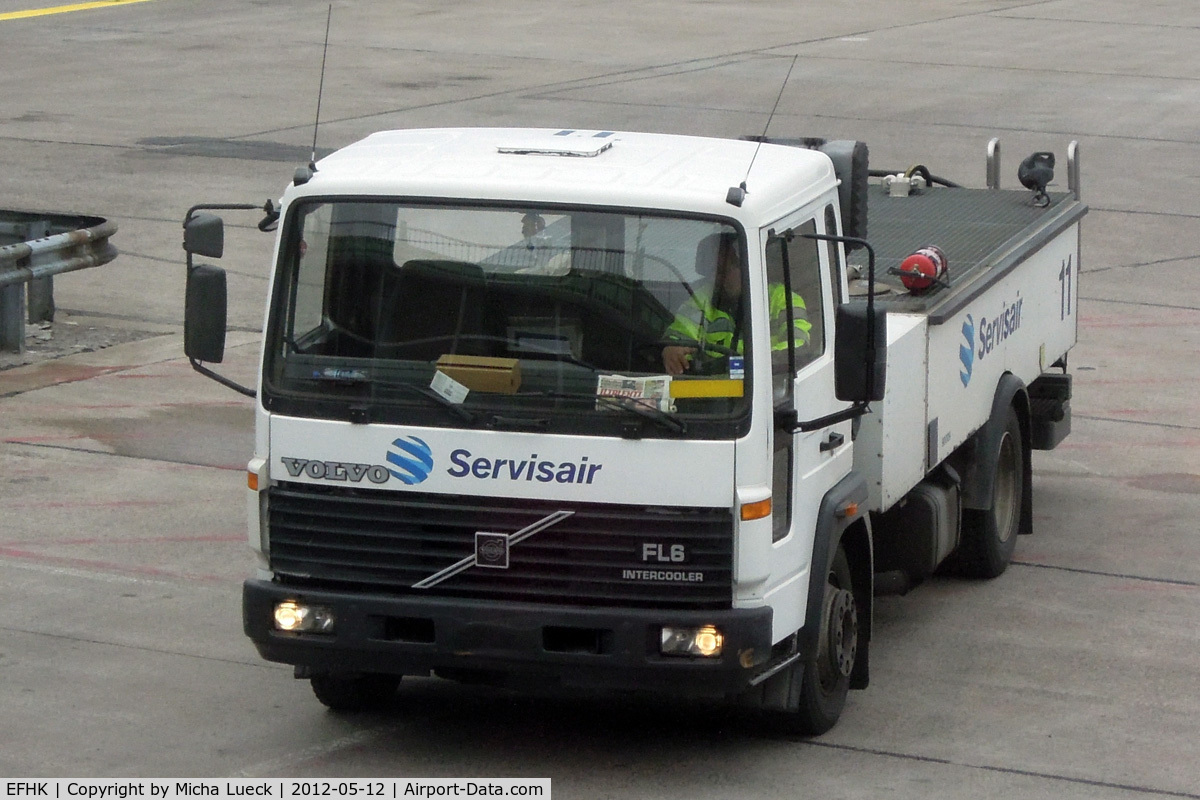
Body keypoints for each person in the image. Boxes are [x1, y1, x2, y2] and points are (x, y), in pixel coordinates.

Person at [662, 232, 811, 375]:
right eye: (713, 273)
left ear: (745, 267)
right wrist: (671, 349)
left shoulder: (782, 298)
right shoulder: (701, 299)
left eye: (724, 271)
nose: (718, 279)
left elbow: (797, 346)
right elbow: (679, 335)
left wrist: (742, 364)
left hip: (767, 384)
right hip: (713, 389)